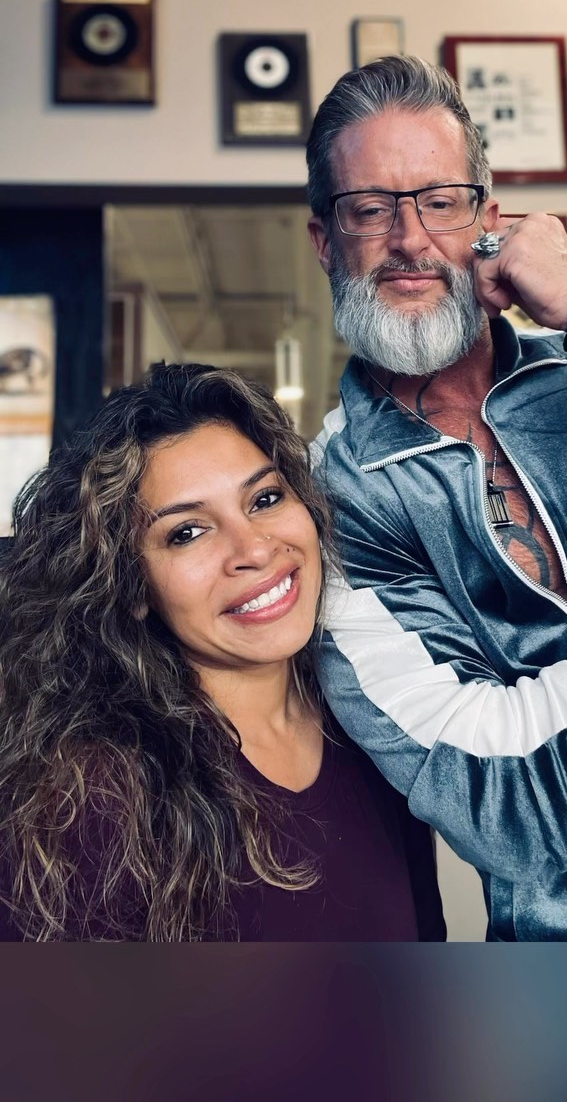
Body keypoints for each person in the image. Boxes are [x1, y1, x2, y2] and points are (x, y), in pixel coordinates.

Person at [306, 54, 567, 941]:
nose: (411, 239)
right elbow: (498, 799)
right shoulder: (329, 502)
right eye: (370, 209)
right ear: (326, 242)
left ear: (490, 223)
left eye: (442, 200)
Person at [0, 362, 445, 942]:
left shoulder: (378, 725)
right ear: (131, 586)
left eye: (264, 498)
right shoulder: (86, 799)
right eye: (187, 532)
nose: (254, 550)